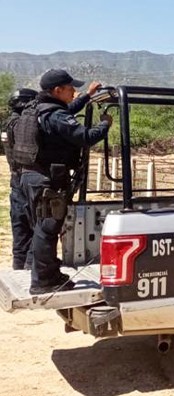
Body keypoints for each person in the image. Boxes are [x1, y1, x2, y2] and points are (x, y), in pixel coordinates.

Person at [21, 69, 111, 294]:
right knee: (48, 229)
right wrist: (105, 125)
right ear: (57, 90)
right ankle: (42, 282)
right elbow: (85, 137)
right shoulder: (55, 114)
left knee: (42, 228)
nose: (74, 92)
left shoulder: (37, 109)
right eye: (71, 89)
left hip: (31, 177)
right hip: (45, 180)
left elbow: (67, 112)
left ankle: (49, 274)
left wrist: (87, 96)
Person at [5, 88, 38, 269]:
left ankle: (19, 266)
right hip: (24, 181)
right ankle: (28, 268)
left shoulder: (9, 123)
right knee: (35, 228)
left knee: (20, 229)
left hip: (15, 180)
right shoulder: (21, 126)